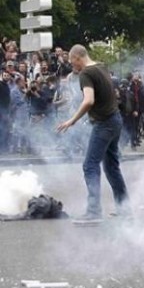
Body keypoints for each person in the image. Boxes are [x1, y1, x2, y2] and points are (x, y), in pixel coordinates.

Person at [56, 45, 130, 223]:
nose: (72, 66)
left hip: (104, 124)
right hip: (115, 120)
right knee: (111, 167)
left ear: (77, 57)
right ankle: (125, 209)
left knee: (90, 165)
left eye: (72, 61)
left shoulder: (86, 74)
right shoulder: (101, 67)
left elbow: (89, 100)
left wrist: (72, 120)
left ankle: (93, 212)